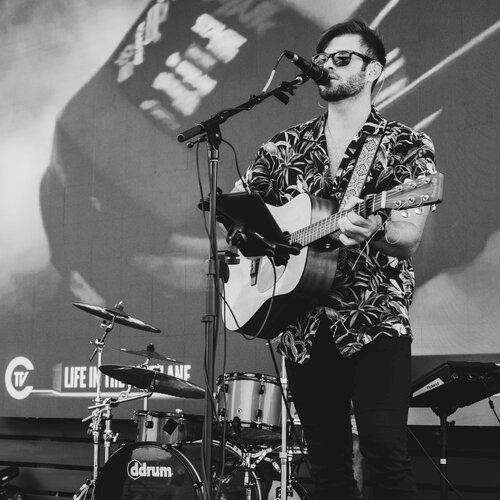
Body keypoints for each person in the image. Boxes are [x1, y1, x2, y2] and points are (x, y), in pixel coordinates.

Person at [232, 19, 437, 500]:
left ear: (374, 71)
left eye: (342, 58)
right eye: (323, 59)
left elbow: (407, 238)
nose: (327, 66)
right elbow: (241, 215)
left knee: (385, 451)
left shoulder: (404, 144)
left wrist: (377, 227)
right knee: (325, 462)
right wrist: (253, 241)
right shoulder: (282, 148)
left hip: (374, 319)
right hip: (303, 323)